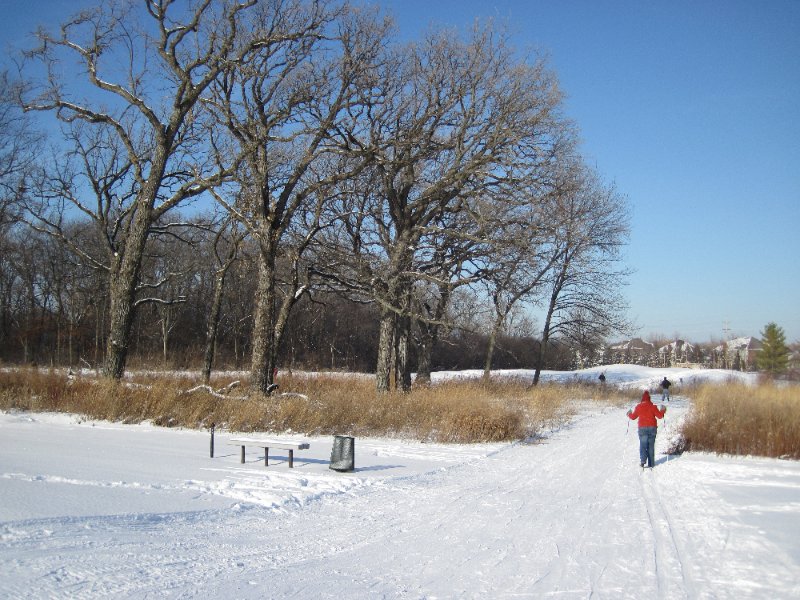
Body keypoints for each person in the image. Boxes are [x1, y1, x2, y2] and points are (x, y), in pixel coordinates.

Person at [627, 390, 666, 468]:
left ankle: (643, 460)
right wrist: (663, 410)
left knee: (643, 444)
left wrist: (629, 413)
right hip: (652, 428)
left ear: (642, 399)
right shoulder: (653, 407)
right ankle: (651, 463)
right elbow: (660, 416)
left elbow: (633, 417)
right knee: (651, 446)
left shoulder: (639, 407)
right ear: (649, 399)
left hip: (642, 428)